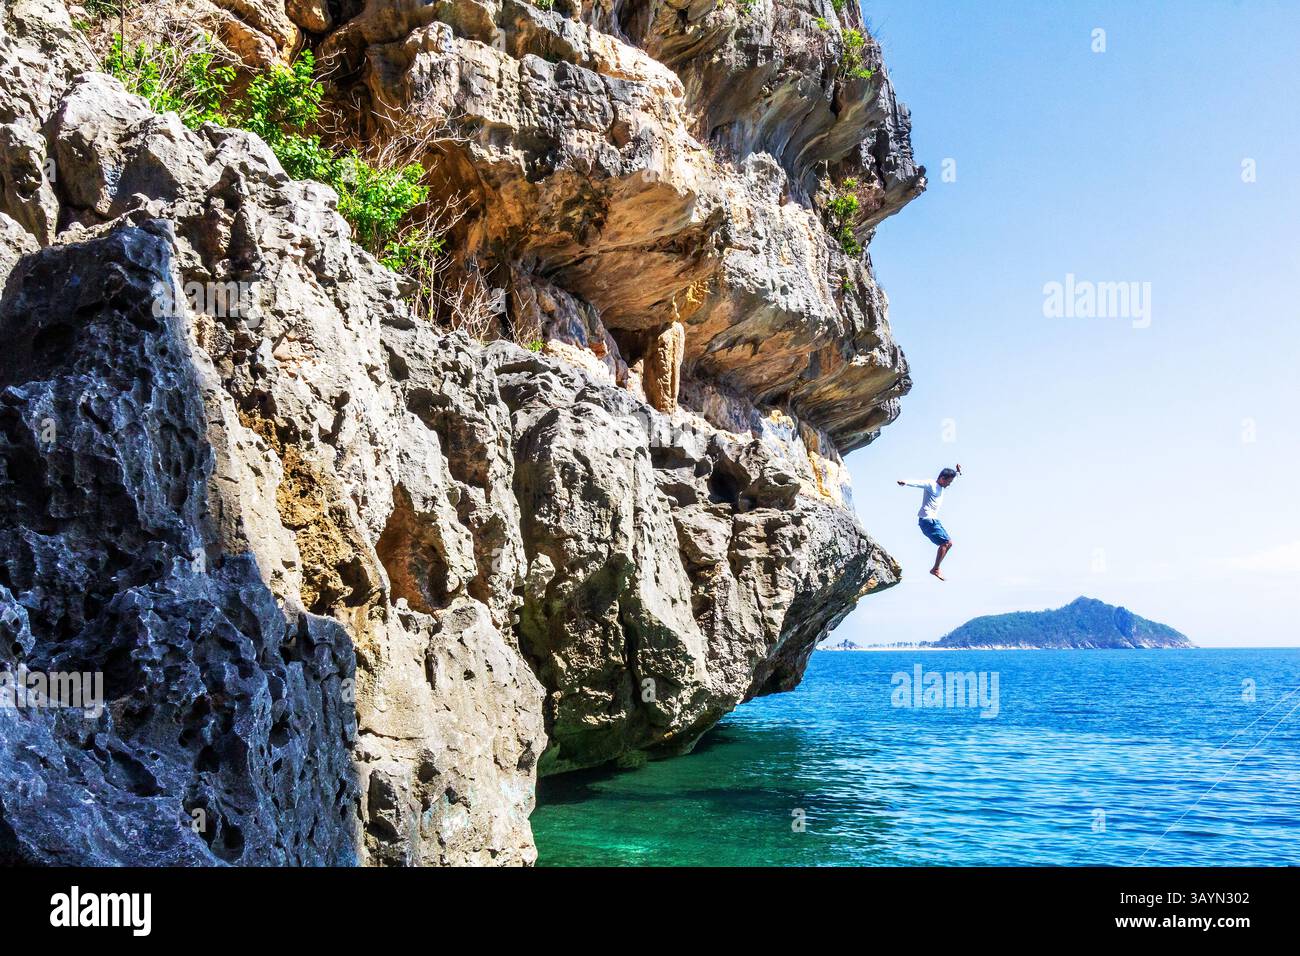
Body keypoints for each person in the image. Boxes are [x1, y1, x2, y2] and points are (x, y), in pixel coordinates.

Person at [897, 465, 961, 580]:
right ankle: (935, 569)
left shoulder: (942, 487)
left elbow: (954, 478)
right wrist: (905, 482)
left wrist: (958, 472)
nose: (949, 484)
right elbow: (919, 483)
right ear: (942, 478)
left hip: (934, 520)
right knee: (946, 543)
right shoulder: (931, 484)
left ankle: (935, 568)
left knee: (948, 543)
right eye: (948, 482)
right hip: (927, 520)